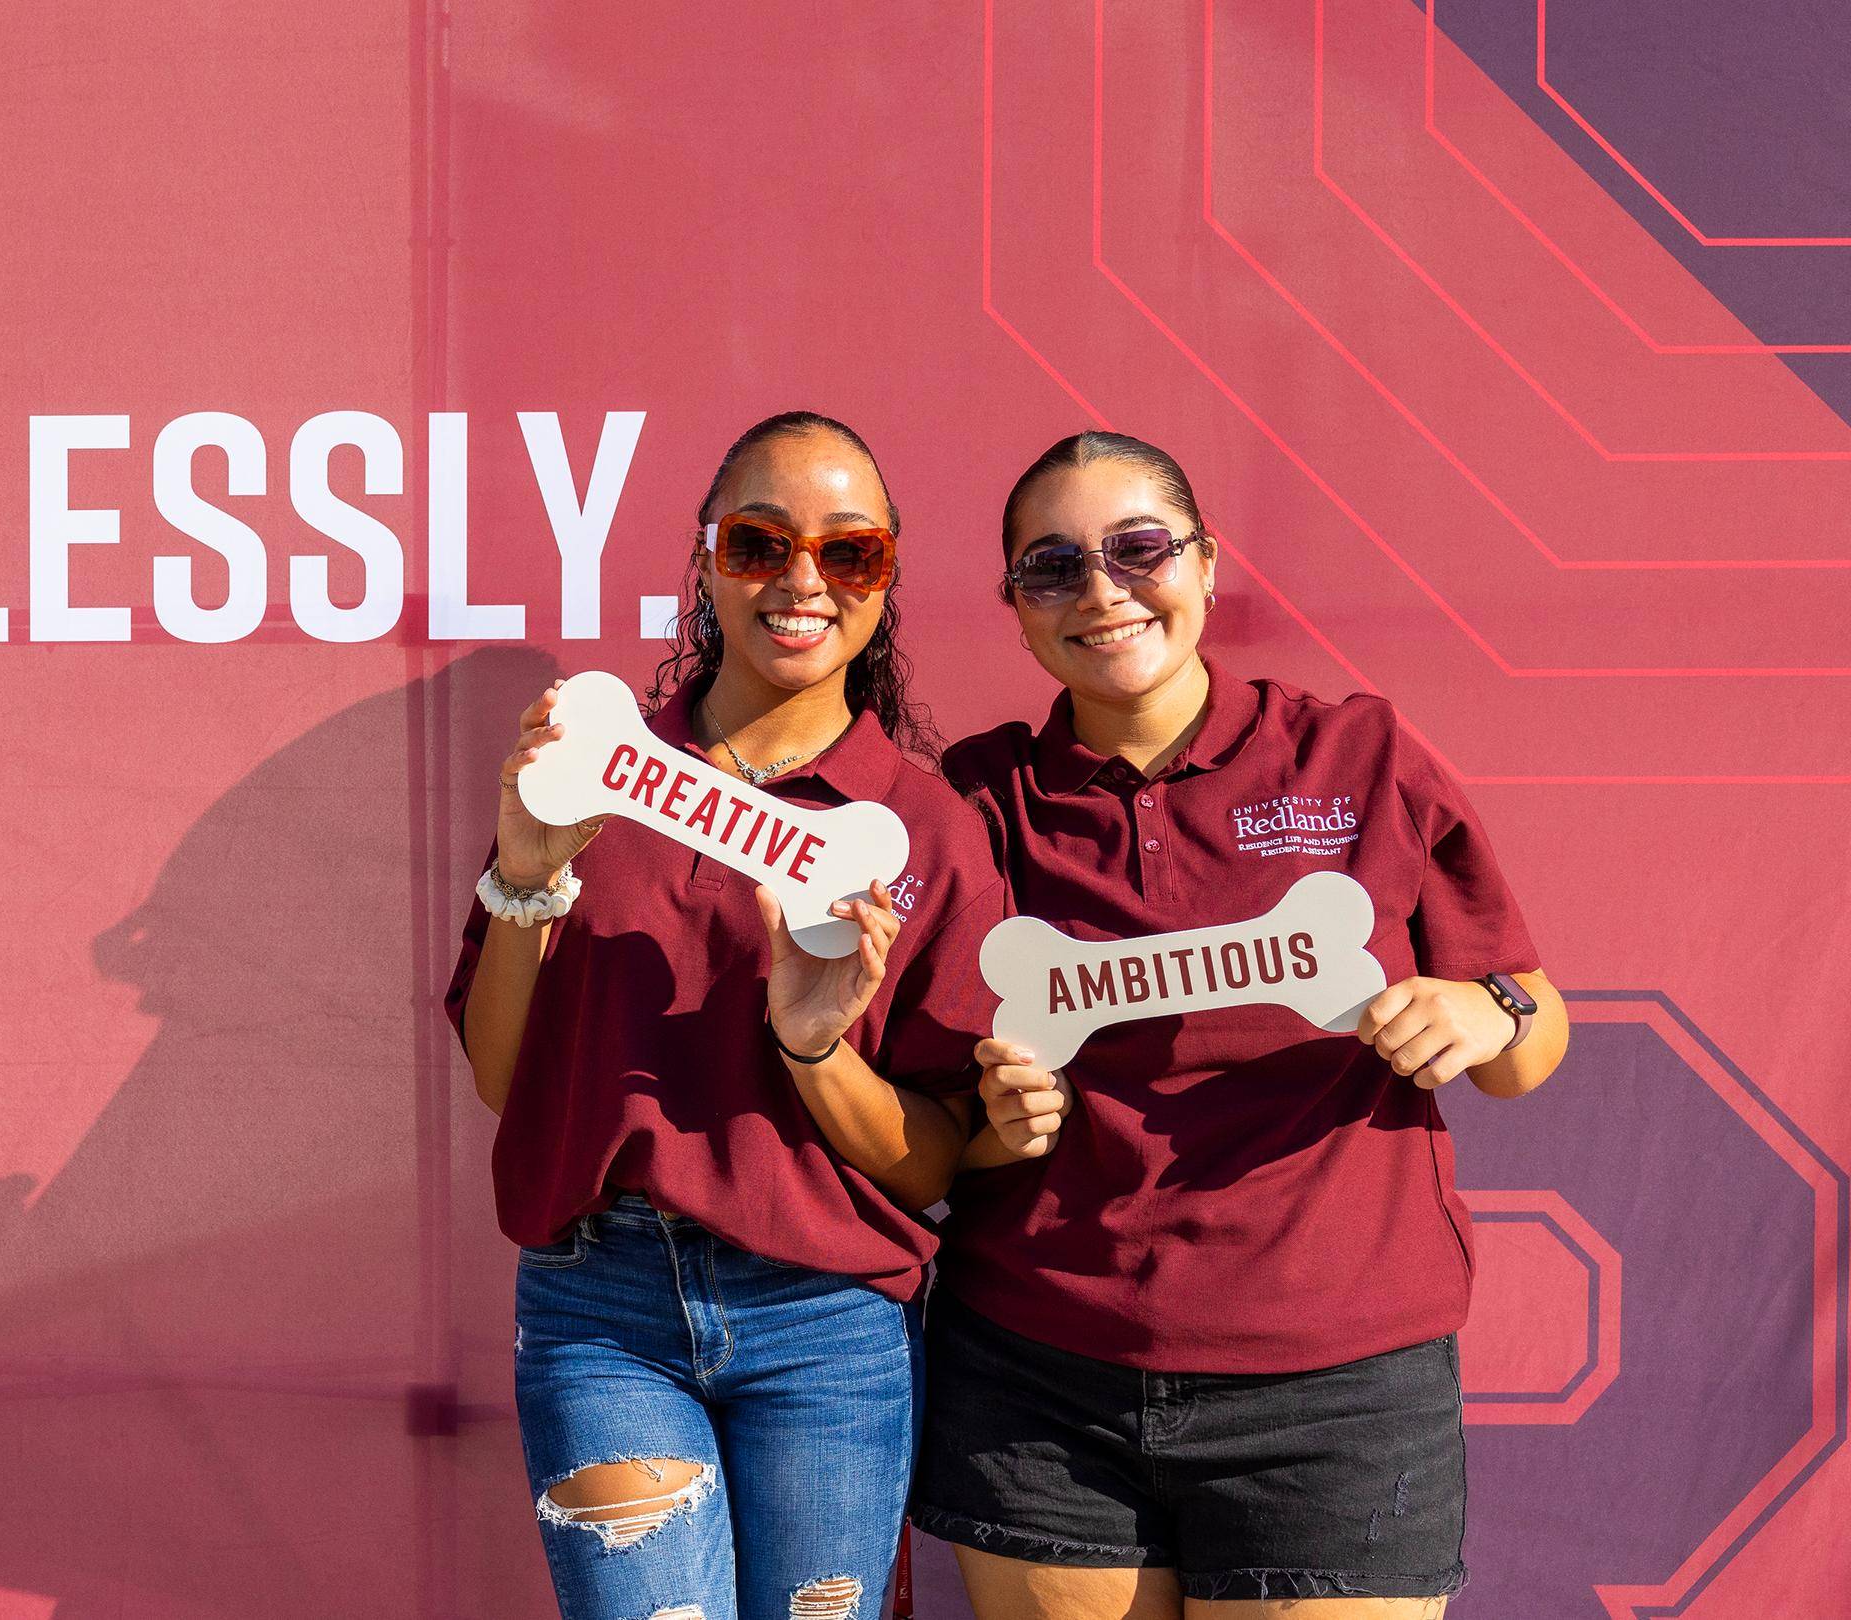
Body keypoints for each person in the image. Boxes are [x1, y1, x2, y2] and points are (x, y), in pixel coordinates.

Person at [911, 432, 1570, 1619]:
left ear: (1207, 566)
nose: (1103, 590)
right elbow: (927, 1123)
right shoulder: (977, 800)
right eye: (1053, 568)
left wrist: (1484, 1011)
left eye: (1139, 549)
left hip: (1338, 1388)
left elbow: (1528, 1030)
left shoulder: (1357, 754)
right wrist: (996, 1122)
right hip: (1040, 1375)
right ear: (1015, 609)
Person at [446, 411, 1006, 1620]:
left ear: (887, 579)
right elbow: (507, 1082)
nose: (802, 581)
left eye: (850, 554)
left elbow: (935, 1161)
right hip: (606, 1310)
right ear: (703, 560)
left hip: (828, 1320)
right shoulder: (594, 775)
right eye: (760, 543)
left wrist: (812, 1048)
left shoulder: (926, 831)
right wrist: (528, 878)